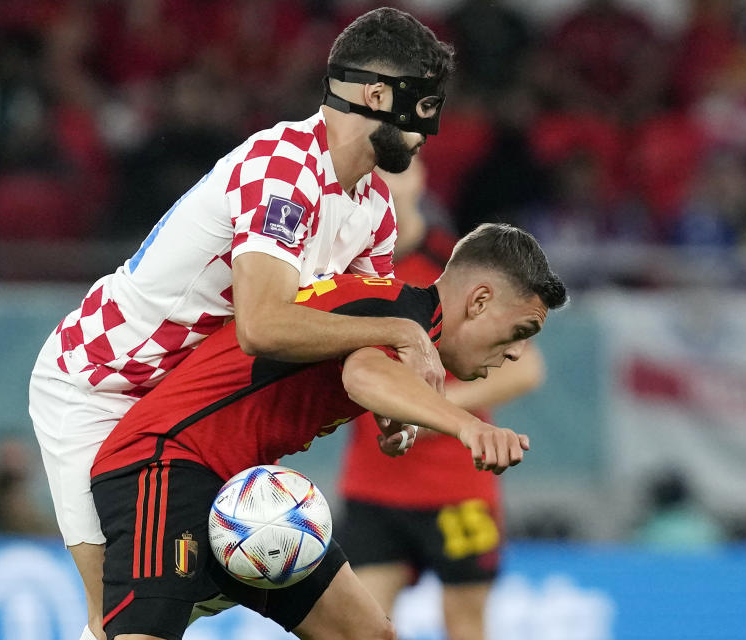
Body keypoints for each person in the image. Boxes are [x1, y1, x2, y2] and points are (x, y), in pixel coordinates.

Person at [28, 8, 454, 639]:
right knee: (119, 623)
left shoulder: (376, 213)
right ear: (377, 96)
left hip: (199, 416)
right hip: (101, 388)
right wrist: (401, 334)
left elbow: (350, 335)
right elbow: (262, 325)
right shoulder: (284, 170)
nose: (430, 133)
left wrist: (391, 405)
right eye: (426, 108)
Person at [89, 223, 567, 640]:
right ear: (480, 300)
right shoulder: (397, 313)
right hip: (165, 462)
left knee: (365, 633)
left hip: (241, 488)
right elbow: (363, 376)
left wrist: (405, 411)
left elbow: (368, 376)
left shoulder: (396, 312)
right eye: (520, 331)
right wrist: (468, 426)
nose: (516, 353)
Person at [338, 159, 545, 640]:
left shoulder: (454, 267)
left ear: (420, 180)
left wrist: (441, 407)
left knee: (465, 626)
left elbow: (528, 367)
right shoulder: (345, 265)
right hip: (374, 485)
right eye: (374, 174)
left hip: (457, 486)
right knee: (364, 627)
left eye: (398, 170)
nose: (385, 184)